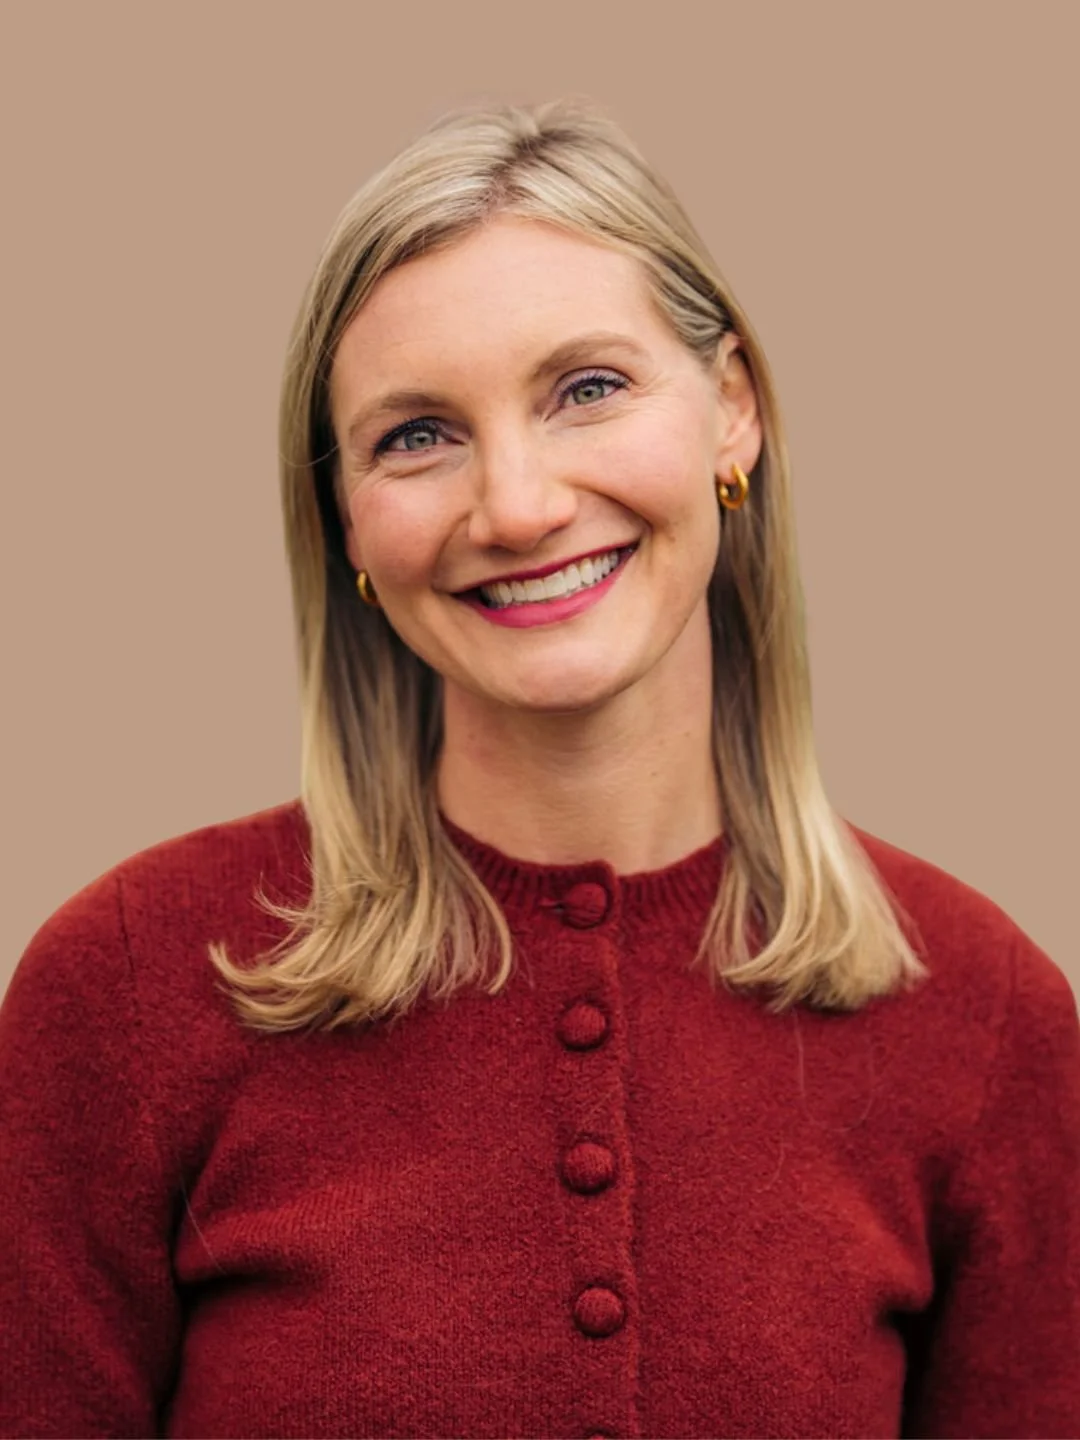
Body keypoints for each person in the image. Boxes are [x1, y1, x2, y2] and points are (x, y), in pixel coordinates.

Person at [1, 97, 1077, 1440]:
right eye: (415, 436)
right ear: (348, 520)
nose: (515, 505)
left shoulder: (989, 1022)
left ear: (732, 411)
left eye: (587, 389)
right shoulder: (127, 991)